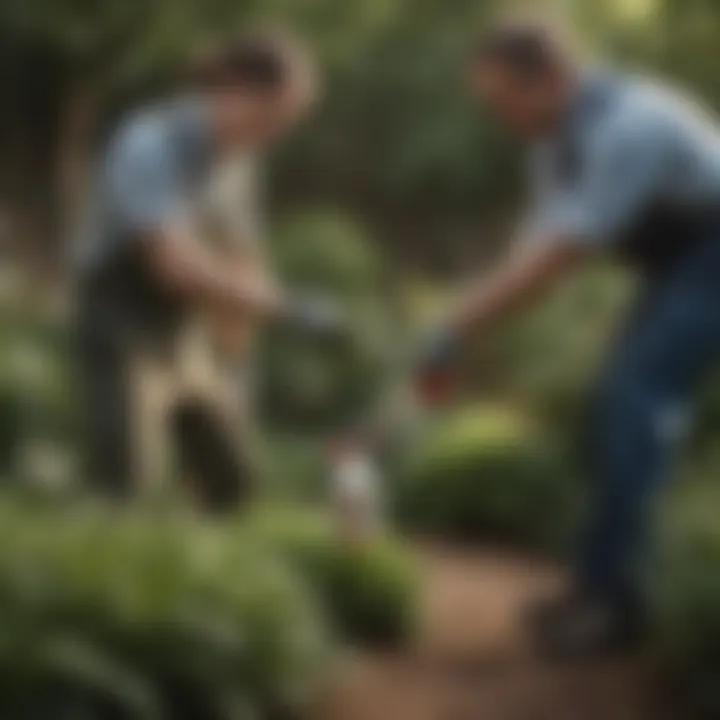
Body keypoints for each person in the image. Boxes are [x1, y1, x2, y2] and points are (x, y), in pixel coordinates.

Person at [417, 20, 720, 658]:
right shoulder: (550, 139)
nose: (500, 119)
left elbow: (560, 256)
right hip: (679, 265)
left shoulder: (631, 127)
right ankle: (593, 584)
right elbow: (534, 242)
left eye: (505, 103)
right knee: (610, 402)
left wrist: (454, 324)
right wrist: (472, 323)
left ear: (553, 80)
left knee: (635, 399)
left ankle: (623, 607)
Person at [75, 34, 323, 512]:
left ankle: (209, 577)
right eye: (272, 116)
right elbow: (173, 263)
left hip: (188, 329)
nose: (275, 133)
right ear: (232, 89)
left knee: (233, 480)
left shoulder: (238, 162)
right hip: (121, 321)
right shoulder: (148, 142)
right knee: (127, 483)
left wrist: (240, 351)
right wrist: (282, 308)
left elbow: (243, 256)